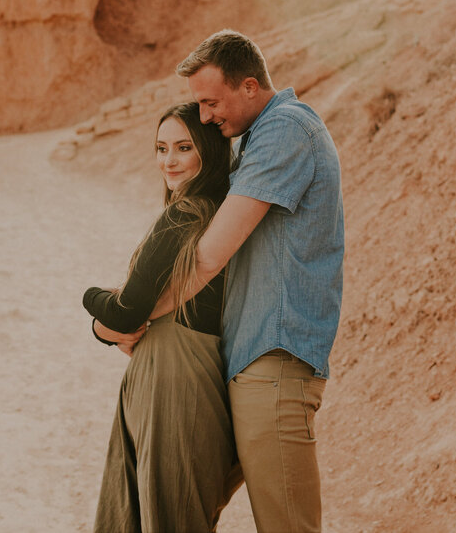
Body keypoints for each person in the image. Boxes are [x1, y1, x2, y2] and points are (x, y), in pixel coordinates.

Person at [148, 29, 345, 533]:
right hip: (247, 360)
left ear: (250, 87)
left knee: (285, 525)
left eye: (212, 102)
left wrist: (136, 319)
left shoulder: (285, 130)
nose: (207, 115)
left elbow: (211, 256)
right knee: (187, 505)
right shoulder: (258, 136)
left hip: (273, 361)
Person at [83, 101, 240, 533]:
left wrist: (90, 302)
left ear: (207, 151)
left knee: (165, 515)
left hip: (175, 376)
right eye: (161, 148)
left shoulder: (185, 214)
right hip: (185, 372)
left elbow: (127, 310)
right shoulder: (217, 213)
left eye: (183, 148)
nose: (168, 160)